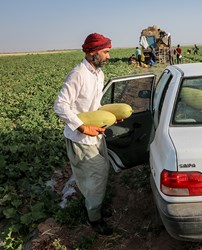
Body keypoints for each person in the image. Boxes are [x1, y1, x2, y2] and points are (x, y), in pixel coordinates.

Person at [53, 33, 113, 235]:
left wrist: (111, 116)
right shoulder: (78, 74)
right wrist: (82, 127)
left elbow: (94, 107)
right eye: (105, 52)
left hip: (96, 135)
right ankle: (94, 218)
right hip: (81, 139)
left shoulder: (98, 74)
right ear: (92, 52)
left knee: (100, 174)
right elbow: (60, 105)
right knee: (96, 178)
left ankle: (95, 206)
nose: (108, 56)